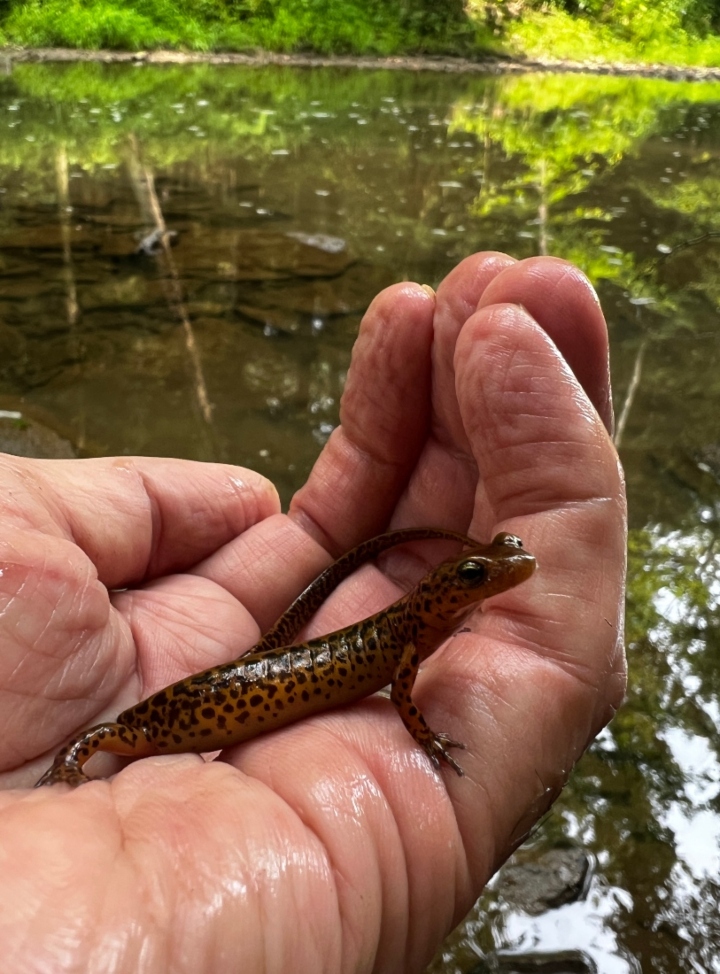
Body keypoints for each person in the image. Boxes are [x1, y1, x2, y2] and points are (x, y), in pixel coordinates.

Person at [0, 253, 626, 972]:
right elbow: (402, 698)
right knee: (129, 726)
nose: (504, 573)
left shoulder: (416, 630)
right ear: (446, 591)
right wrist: (65, 774)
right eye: (484, 572)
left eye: (496, 563)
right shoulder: (412, 634)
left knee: (260, 657)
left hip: (264, 678)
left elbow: (400, 686)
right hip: (188, 710)